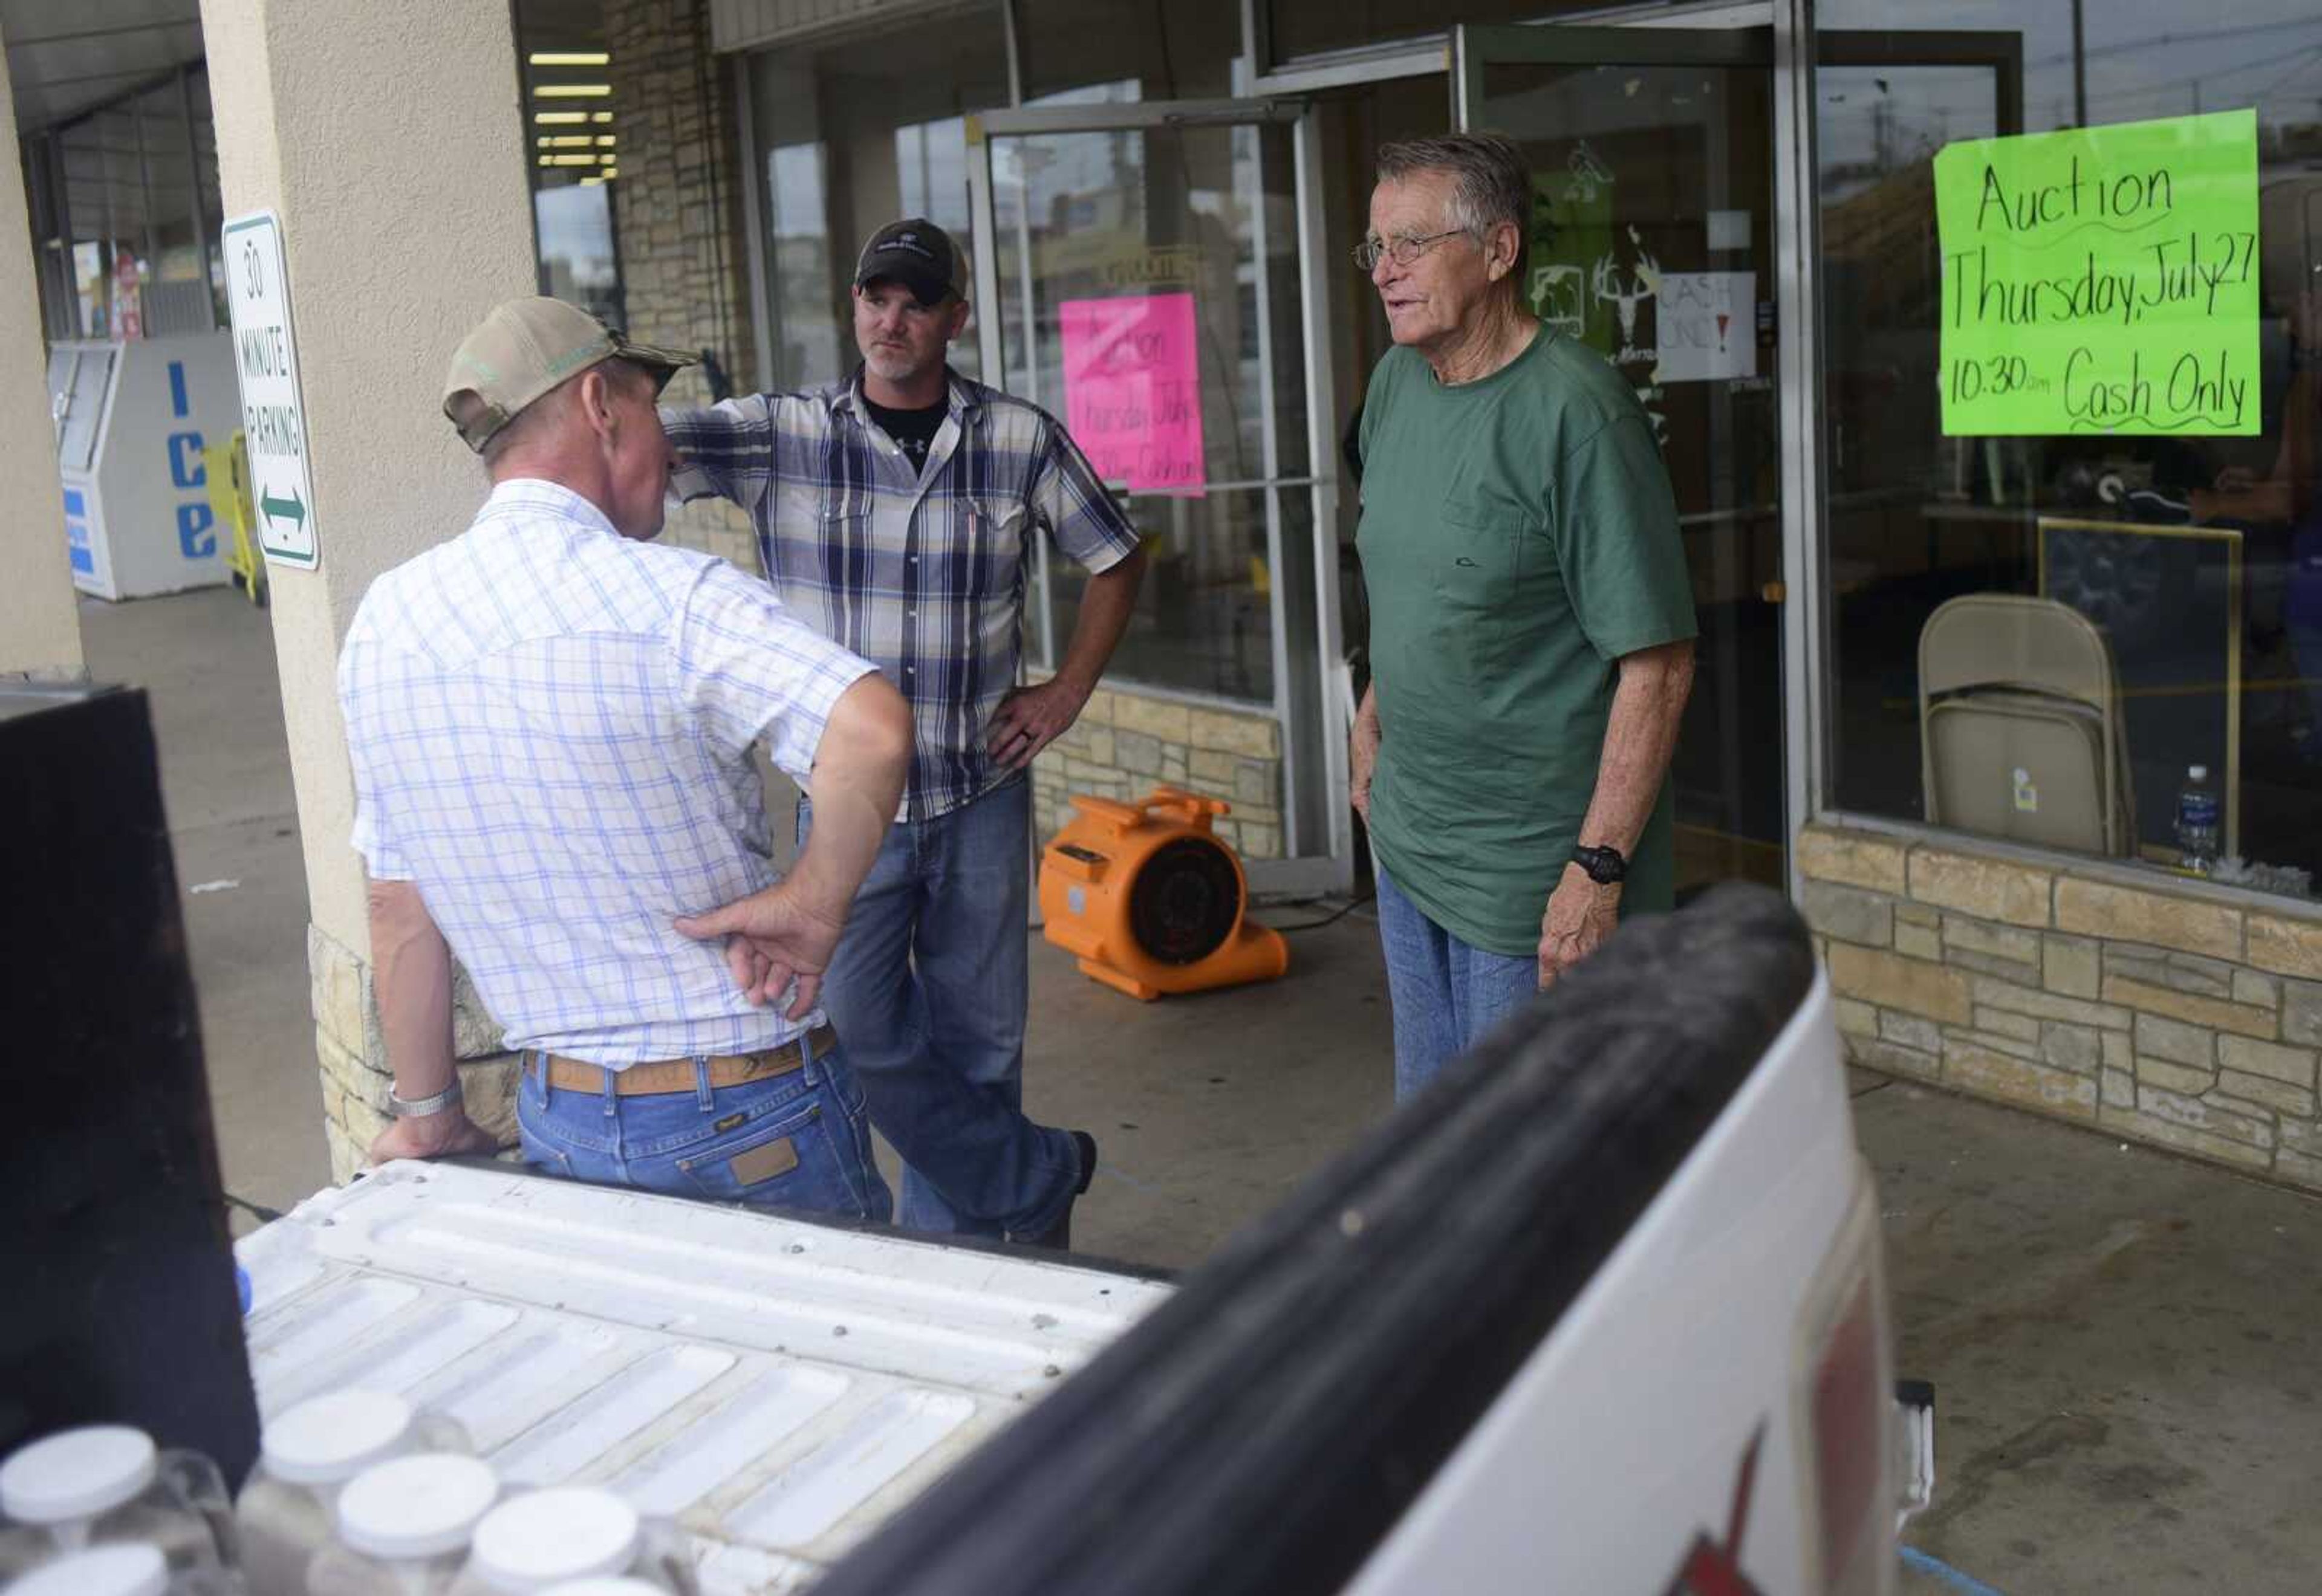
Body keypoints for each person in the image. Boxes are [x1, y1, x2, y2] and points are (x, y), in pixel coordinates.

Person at [340, 296, 915, 1222]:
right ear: (602, 403)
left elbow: (395, 902)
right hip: (749, 1112)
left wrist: (432, 1116)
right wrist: (814, 905)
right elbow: (873, 729)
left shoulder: (385, 622)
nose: (675, 447)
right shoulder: (674, 598)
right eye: (654, 407)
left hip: (561, 1121)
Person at [663, 219, 1148, 1248]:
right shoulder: (781, 433)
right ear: (852, 309)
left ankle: (974, 1259)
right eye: (875, 297)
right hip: (851, 812)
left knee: (981, 1047)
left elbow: (1115, 555)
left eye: (916, 301)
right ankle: (1034, 1181)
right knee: (853, 1025)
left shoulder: (1017, 439)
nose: (892, 319)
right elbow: (642, 455)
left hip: (978, 793)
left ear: (954, 320)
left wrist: (1065, 692)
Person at [1348, 135, 1699, 1101]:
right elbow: (1422, 578)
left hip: (1529, 872)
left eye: (1412, 244)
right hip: (1411, 835)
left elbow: (1658, 666)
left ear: (1499, 252)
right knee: (1436, 1129)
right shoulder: (1395, 388)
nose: (1385, 272)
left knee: (1529, 1159)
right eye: (1375, 248)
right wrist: (1372, 714)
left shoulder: (1577, 415)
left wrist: (1596, 871)